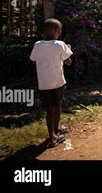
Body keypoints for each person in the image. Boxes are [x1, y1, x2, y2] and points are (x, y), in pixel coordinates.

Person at [30, 18, 73, 148]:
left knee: (49, 109)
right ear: (57, 31)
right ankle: (55, 133)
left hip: (44, 84)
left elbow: (33, 60)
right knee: (57, 106)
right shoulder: (60, 44)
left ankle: (53, 134)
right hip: (59, 82)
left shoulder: (37, 45)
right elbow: (69, 62)